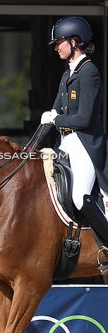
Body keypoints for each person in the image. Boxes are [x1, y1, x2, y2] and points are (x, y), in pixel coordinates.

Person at [42, 16, 108, 250]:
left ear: (74, 41)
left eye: (59, 42)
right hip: (66, 142)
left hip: (85, 145)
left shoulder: (89, 72)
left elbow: (84, 119)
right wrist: (48, 119)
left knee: (79, 195)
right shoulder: (67, 74)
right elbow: (56, 109)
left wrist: (56, 118)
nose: (56, 47)